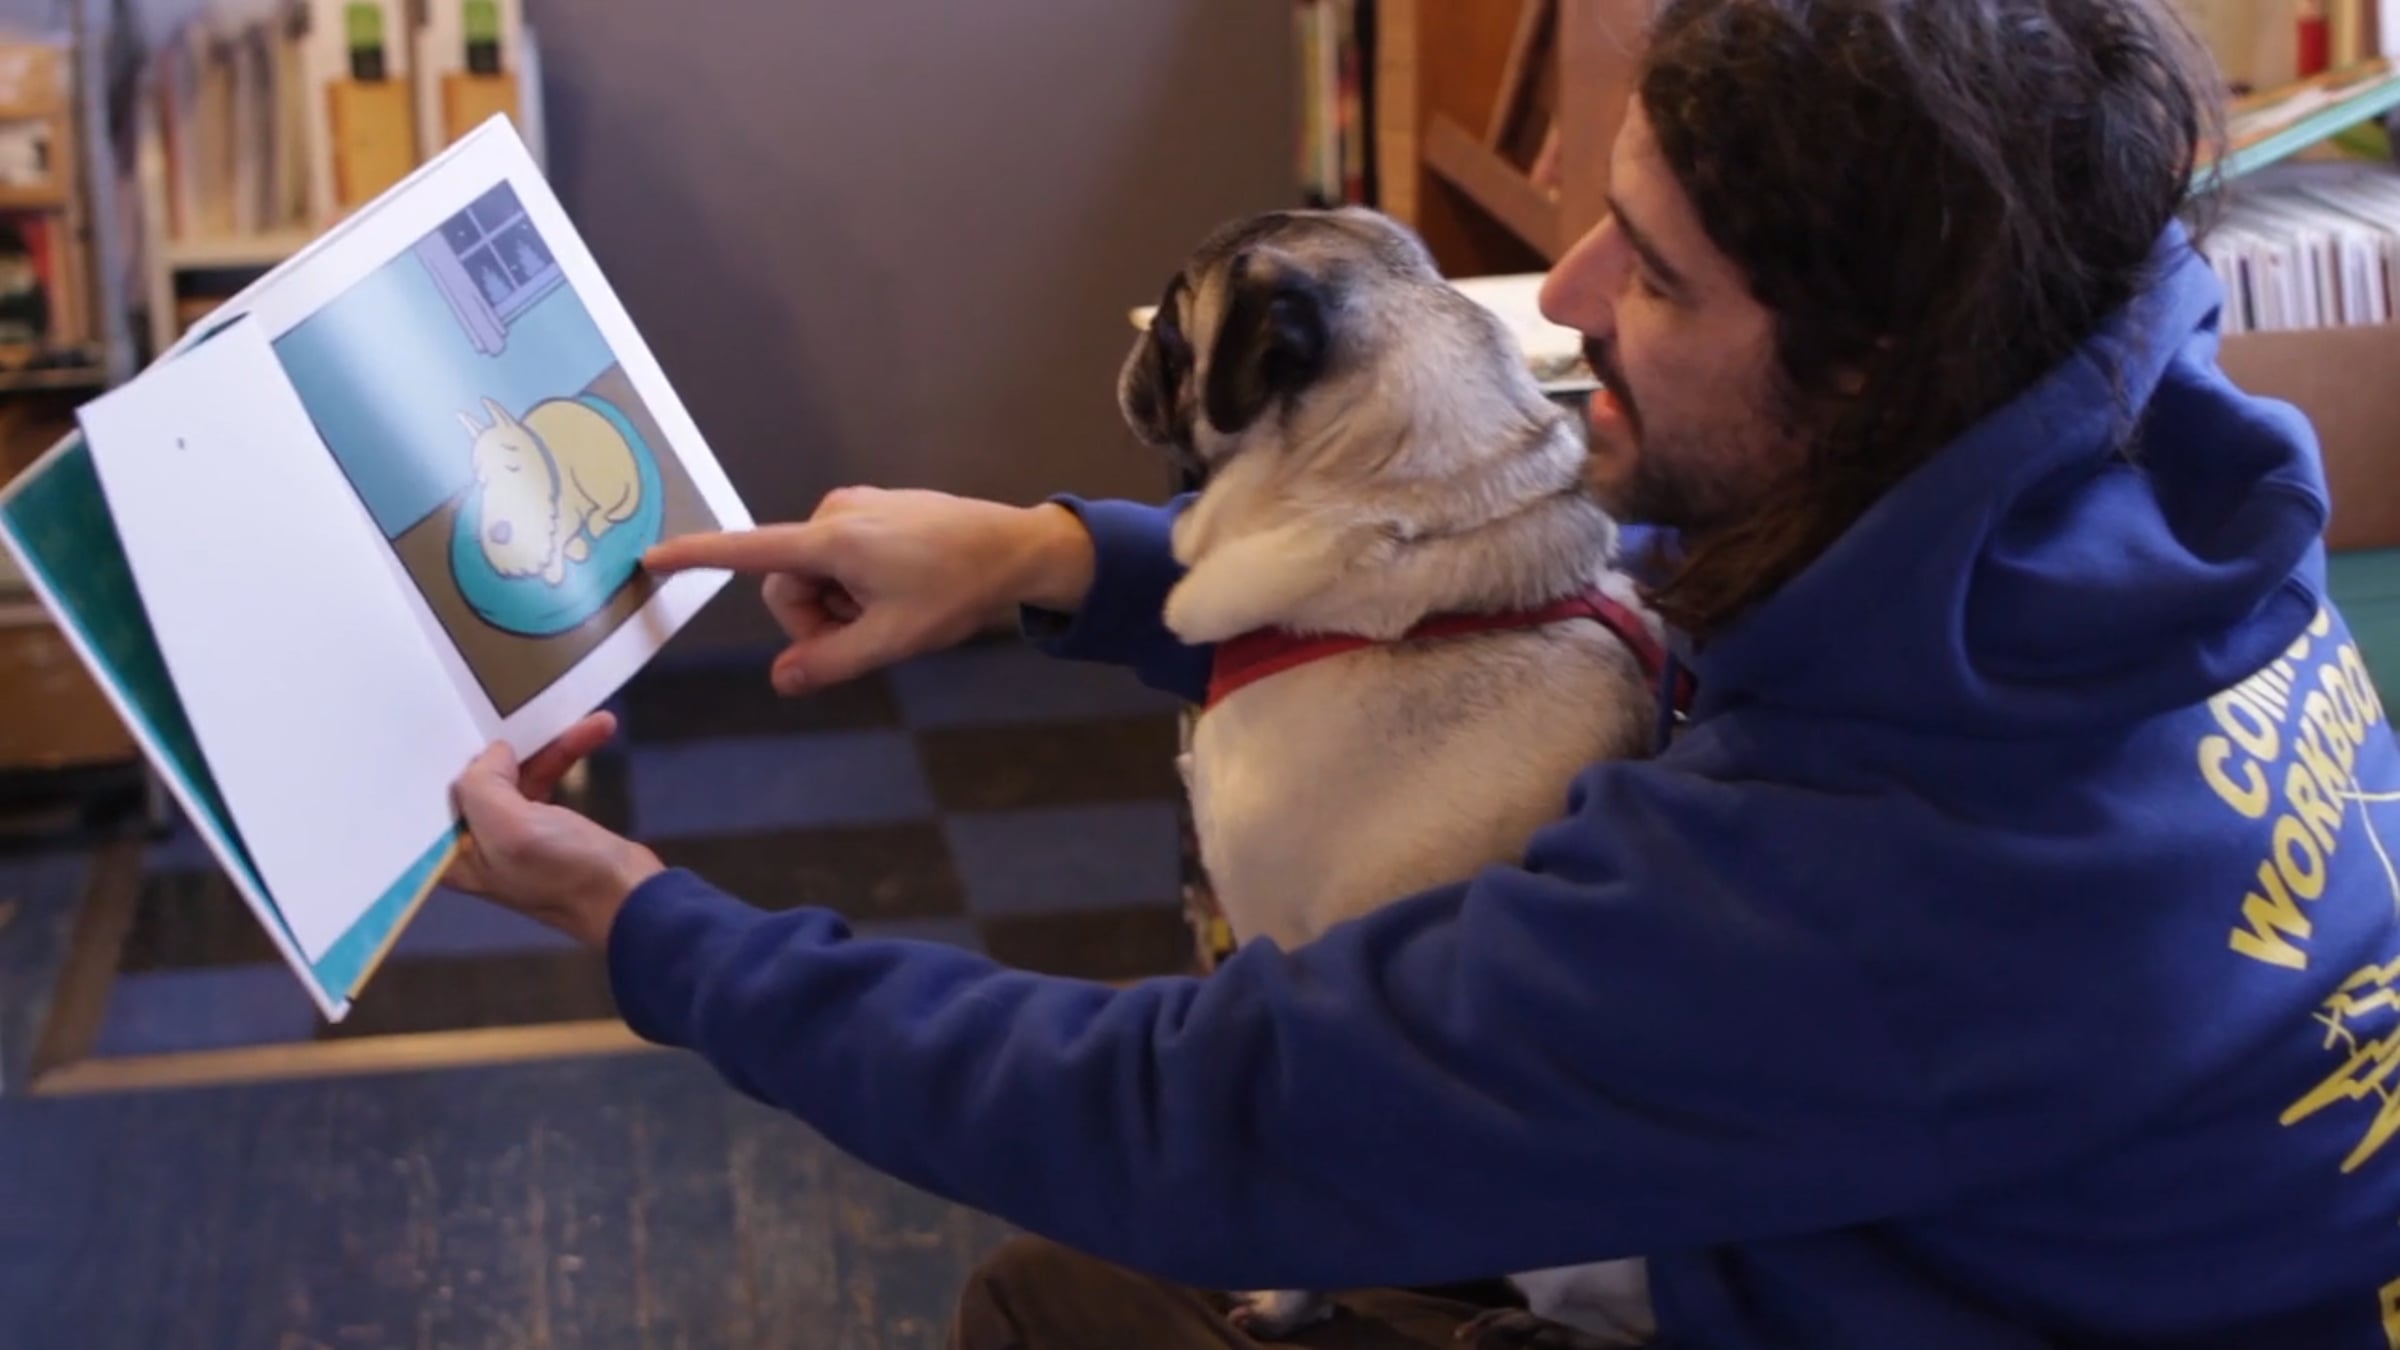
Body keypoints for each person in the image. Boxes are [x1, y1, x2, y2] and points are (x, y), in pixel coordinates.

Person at [441, 0, 2400, 1345]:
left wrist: (652, 929)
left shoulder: (1875, 892)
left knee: (1064, 1299)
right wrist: (1056, 563)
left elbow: (1194, 1121)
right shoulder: (2114, 495)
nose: (1570, 297)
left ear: (1874, 365)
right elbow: (1593, 602)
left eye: (1656, 272)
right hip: (2045, 1246)